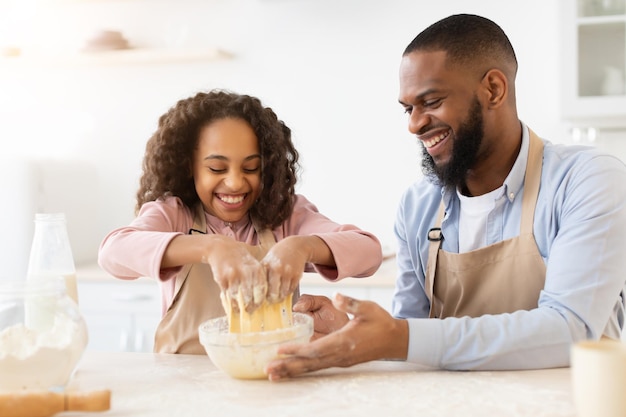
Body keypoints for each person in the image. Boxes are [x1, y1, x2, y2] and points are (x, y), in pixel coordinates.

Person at [265, 14, 626, 380]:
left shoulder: (587, 180)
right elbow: (410, 340)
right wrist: (350, 333)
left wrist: (395, 339)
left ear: (494, 90)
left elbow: (570, 331)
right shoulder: (418, 207)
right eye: (408, 109)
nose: (414, 124)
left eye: (431, 101)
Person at [97, 89, 383, 354]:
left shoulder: (286, 216)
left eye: (250, 168)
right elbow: (113, 252)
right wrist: (210, 247)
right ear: (189, 166)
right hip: (184, 384)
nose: (234, 183)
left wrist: (301, 247)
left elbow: (368, 251)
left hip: (271, 377)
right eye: (216, 168)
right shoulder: (173, 214)